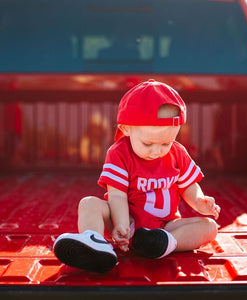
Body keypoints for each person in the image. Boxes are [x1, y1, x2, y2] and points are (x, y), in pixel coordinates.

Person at [54, 79, 220, 273]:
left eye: (166, 143)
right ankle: (95, 242)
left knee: (210, 228)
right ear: (126, 128)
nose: (157, 151)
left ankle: (164, 244)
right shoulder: (119, 153)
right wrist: (122, 225)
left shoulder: (177, 153)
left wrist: (200, 202)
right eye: (148, 144)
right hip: (125, 221)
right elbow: (117, 195)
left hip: (165, 226)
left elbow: (188, 186)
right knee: (88, 203)